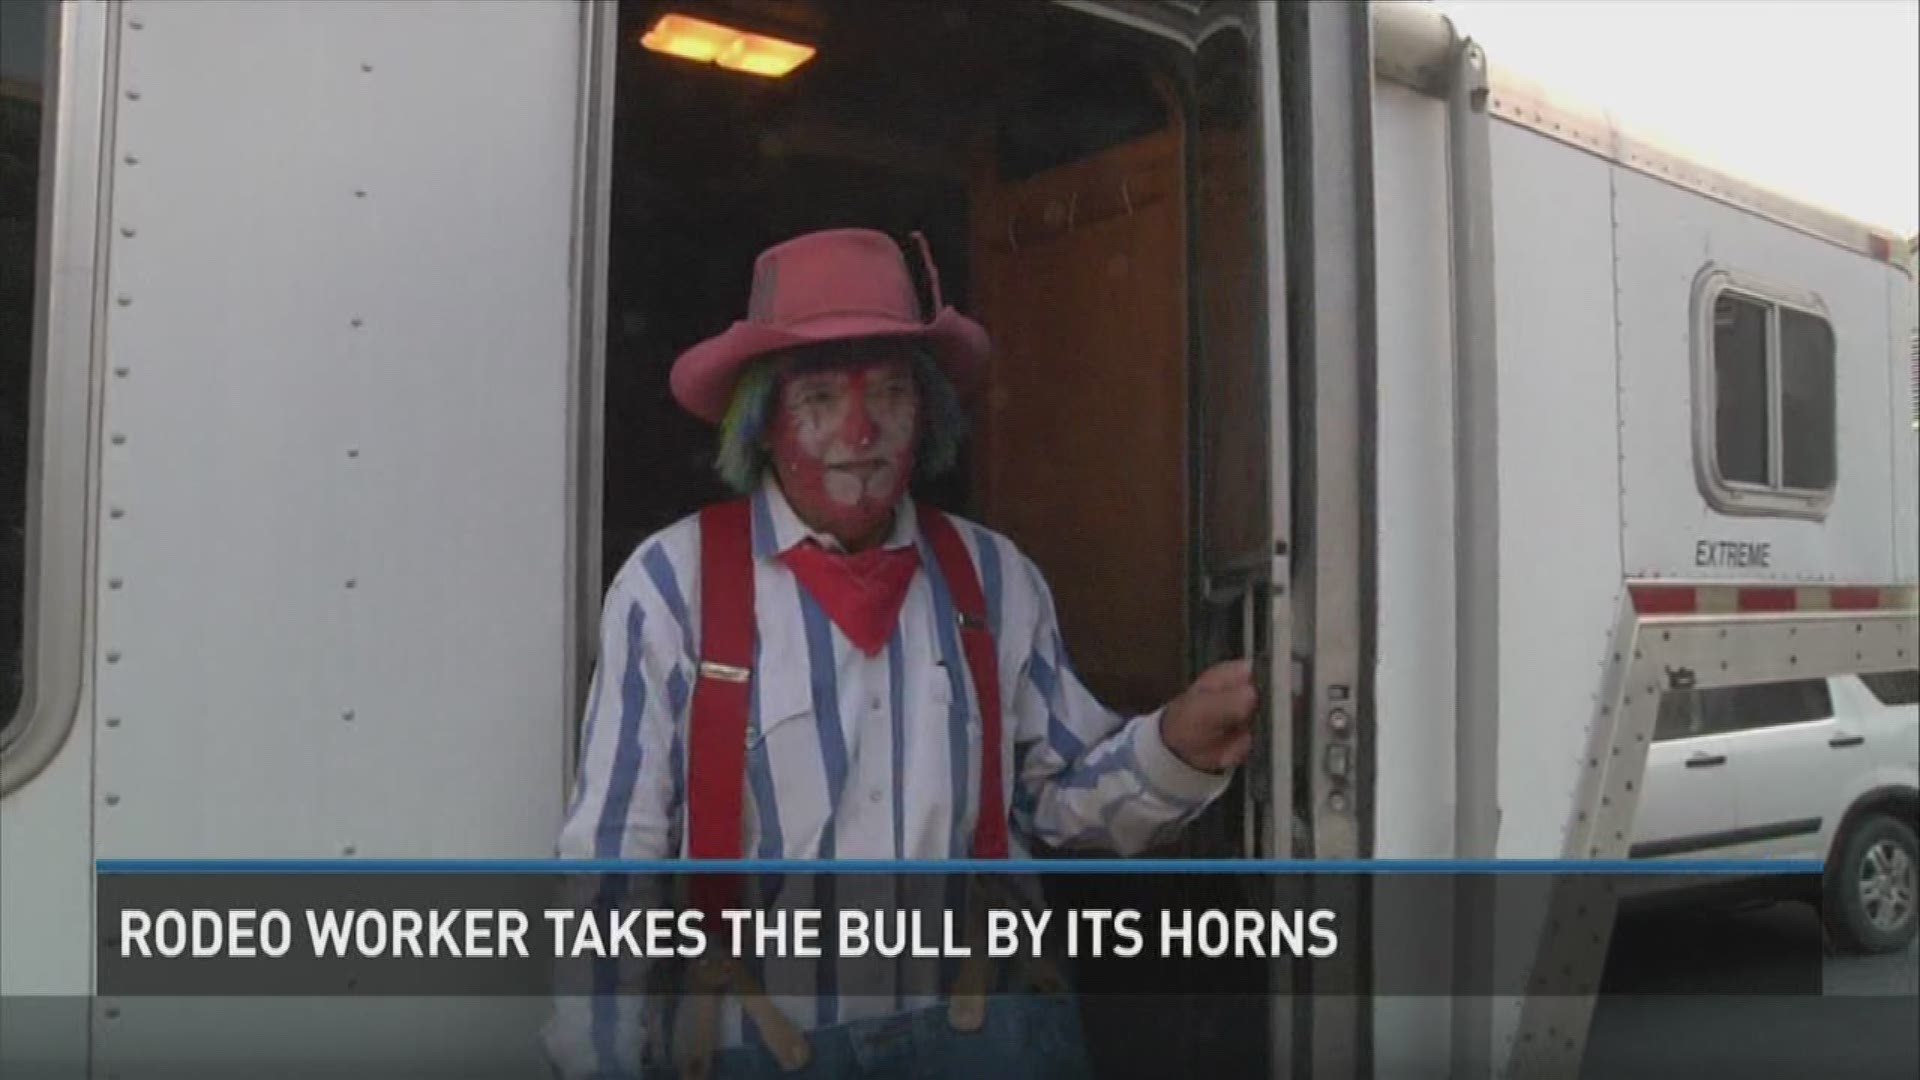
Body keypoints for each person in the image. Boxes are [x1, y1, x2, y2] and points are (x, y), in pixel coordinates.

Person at [546, 227, 1257, 1080]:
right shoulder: (673, 584)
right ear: (765, 422)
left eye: (889, 392)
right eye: (818, 398)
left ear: (927, 416)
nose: (859, 428)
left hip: (988, 1038)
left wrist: (1173, 746)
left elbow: (1057, 804)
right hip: (762, 1048)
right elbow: (616, 861)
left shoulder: (993, 577)